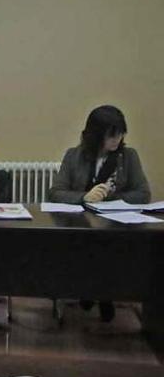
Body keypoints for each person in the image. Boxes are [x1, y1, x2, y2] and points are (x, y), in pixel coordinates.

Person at [47, 105, 150, 322]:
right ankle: (92, 291)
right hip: (78, 227)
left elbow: (143, 194)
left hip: (116, 228)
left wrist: (108, 198)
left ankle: (102, 294)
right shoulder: (74, 156)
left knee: (110, 249)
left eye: (120, 134)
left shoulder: (128, 157)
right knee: (82, 247)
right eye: (111, 135)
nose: (117, 139)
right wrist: (84, 197)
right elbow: (56, 193)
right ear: (95, 135)